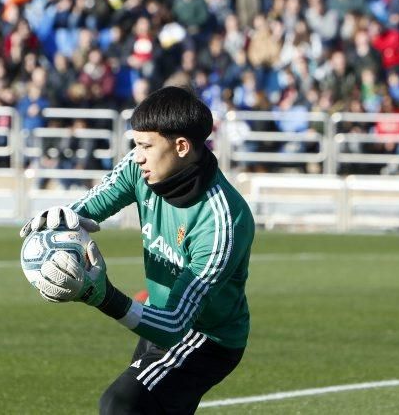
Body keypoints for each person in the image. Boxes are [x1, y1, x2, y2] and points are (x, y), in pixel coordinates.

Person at [19, 86, 255, 414]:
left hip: (206, 337)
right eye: (135, 144)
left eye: (146, 145)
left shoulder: (223, 222)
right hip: (158, 320)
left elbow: (175, 325)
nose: (137, 154)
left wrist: (101, 296)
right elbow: (94, 204)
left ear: (182, 147)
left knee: (121, 404)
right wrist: (65, 219)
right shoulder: (138, 167)